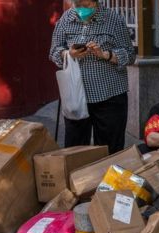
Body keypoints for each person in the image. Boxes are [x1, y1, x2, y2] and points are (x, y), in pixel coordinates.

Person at [49, 0, 135, 154]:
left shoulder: (113, 19)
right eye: (78, 5)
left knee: (110, 149)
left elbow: (130, 55)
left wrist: (105, 54)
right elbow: (54, 52)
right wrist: (69, 54)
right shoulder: (65, 20)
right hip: (76, 98)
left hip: (110, 96)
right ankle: (78, 178)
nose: (83, 10)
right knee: (75, 150)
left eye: (87, 5)